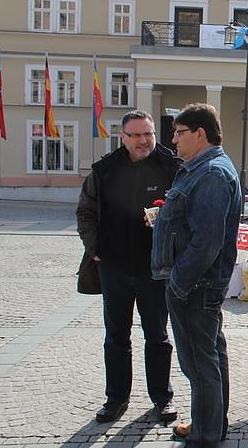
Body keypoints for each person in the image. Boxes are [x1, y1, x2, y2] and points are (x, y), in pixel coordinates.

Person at [76, 109, 182, 424]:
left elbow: (187, 211)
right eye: (135, 135)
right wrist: (94, 249)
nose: (142, 141)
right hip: (115, 267)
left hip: (156, 269)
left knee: (158, 336)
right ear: (122, 137)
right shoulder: (104, 171)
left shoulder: (171, 168)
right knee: (116, 336)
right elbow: (85, 211)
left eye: (147, 134)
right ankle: (116, 399)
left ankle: (162, 399)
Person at [151, 103, 242, 447]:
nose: (173, 140)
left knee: (201, 364)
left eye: (178, 132)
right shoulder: (200, 168)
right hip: (198, 284)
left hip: (195, 285)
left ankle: (205, 434)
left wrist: (178, 283)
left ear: (199, 133)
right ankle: (211, 424)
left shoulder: (212, 173)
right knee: (210, 357)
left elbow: (206, 242)